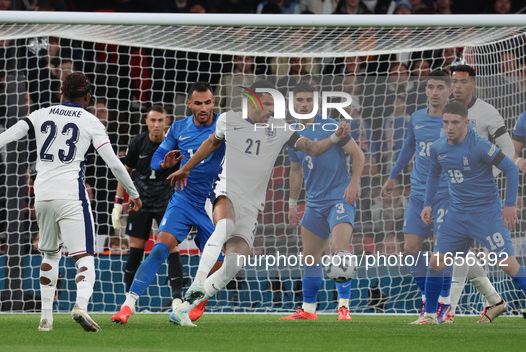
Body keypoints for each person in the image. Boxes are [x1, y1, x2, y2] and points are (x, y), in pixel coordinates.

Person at [0, 72, 142, 332]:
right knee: (84, 256)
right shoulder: (91, 120)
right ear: (87, 97)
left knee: (50, 254)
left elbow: (8, 134)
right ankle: (81, 306)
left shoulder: (42, 113)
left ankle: (45, 319)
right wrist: (134, 194)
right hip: (71, 194)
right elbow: (115, 164)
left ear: (60, 93)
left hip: (41, 195)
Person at [167, 80, 353, 327]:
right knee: (225, 225)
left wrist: (336, 136)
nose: (270, 110)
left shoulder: (280, 128)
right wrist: (185, 169)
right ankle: (198, 282)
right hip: (225, 190)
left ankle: (184, 310)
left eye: (273, 105)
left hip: (252, 205)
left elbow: (316, 148)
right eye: (266, 104)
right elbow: (210, 143)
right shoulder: (229, 119)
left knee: (234, 264)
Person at [111, 82, 225, 325]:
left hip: (212, 201)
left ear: (213, 103)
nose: (203, 108)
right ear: (189, 104)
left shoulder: (224, 125)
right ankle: (127, 306)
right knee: (161, 248)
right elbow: (155, 160)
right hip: (183, 200)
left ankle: (189, 305)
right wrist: (164, 164)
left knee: (219, 263)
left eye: (207, 102)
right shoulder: (178, 128)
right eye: (198, 103)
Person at [417, 101, 526, 324]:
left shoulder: (479, 145)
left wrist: (509, 205)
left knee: (508, 264)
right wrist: (428, 204)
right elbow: (434, 175)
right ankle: (428, 315)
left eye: (455, 122)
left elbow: (511, 168)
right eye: (446, 122)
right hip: (456, 215)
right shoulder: (438, 147)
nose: (450, 127)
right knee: (436, 262)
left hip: (486, 215)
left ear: (466, 123)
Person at [279, 82, 364, 321]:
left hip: (340, 199)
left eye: (308, 100)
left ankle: (344, 307)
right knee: (309, 257)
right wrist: (292, 204)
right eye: (300, 100)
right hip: (314, 204)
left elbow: (357, 154)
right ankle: (308, 310)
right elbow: (295, 170)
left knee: (339, 252)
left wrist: (354, 182)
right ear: (292, 104)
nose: (304, 105)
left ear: (315, 103)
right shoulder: (293, 135)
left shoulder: (330, 126)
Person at [382, 70, 455, 324]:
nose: (434, 91)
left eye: (439, 87)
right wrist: (392, 176)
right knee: (411, 248)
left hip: (446, 193)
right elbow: (409, 147)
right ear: (425, 90)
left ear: (449, 91)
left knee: (441, 253)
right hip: (418, 192)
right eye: (430, 86)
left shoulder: (455, 121)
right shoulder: (416, 118)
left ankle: (444, 306)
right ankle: (429, 301)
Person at [447, 64, 514, 321]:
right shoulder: (445, 110)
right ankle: (494, 302)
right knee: (456, 250)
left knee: (500, 257)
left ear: (473, 84)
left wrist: (485, 177)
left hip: (480, 198)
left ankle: (448, 310)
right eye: (454, 81)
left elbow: (508, 151)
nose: (457, 86)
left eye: (463, 81)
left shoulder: (487, 113)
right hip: (451, 192)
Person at [111, 105, 184, 311]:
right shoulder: (137, 142)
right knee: (136, 249)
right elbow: (125, 172)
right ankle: (129, 301)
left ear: (166, 122)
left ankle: (177, 299)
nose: (156, 125)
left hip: (166, 202)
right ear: (146, 122)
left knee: (171, 247)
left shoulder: (174, 144)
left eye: (160, 120)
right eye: (153, 120)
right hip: (140, 202)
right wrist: (118, 202)